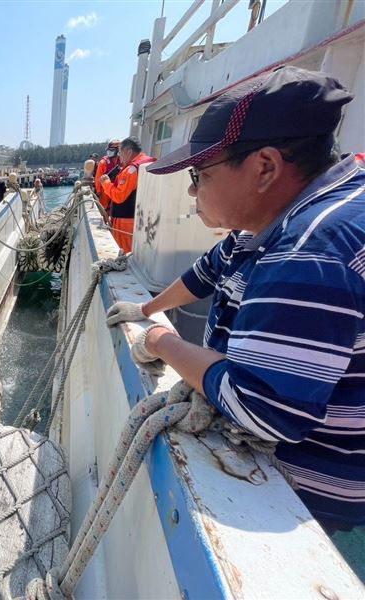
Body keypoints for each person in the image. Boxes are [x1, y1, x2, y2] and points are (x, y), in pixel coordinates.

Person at [105, 66, 364, 531]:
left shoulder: (308, 251)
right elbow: (208, 271)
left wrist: (162, 342)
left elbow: (259, 407)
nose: (191, 189)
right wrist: (145, 310)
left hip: (310, 500)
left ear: (264, 167)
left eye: (200, 174)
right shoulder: (283, 217)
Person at [99, 137, 155, 254]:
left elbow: (119, 196)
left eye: (120, 152)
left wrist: (106, 183)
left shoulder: (130, 170)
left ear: (129, 152)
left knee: (124, 251)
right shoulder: (149, 163)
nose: (119, 156)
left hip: (125, 221)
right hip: (142, 217)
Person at [94, 140, 122, 211]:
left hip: (117, 190)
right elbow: (98, 178)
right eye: (109, 150)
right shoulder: (103, 163)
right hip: (105, 191)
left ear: (118, 150)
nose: (109, 152)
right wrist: (98, 191)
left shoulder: (122, 161)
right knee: (105, 210)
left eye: (112, 150)